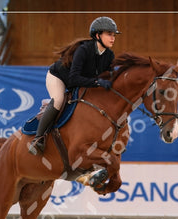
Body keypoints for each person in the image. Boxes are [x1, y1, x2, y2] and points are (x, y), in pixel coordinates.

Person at [28, 16, 121, 155]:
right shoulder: (84, 50)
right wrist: (97, 82)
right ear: (97, 35)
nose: (113, 38)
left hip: (81, 81)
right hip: (59, 77)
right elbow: (74, 79)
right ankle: (38, 139)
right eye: (109, 34)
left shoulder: (109, 55)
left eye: (114, 35)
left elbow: (109, 76)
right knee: (58, 100)